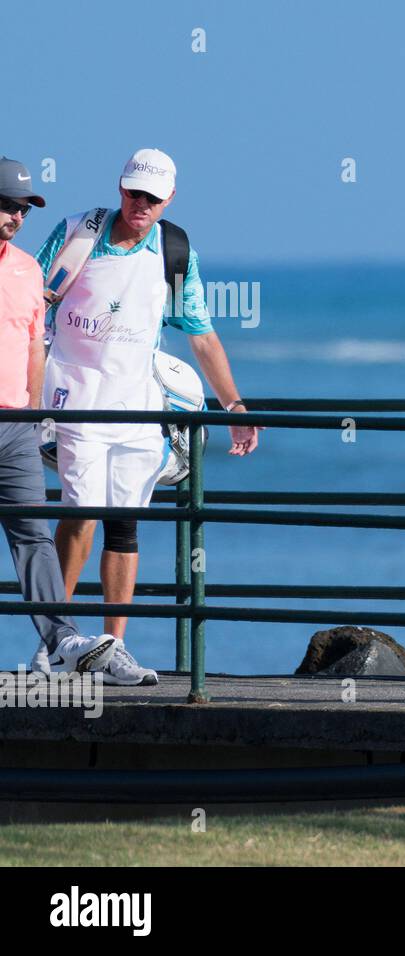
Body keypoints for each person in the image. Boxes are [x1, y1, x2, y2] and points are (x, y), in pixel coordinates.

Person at [34, 148, 262, 686]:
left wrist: (234, 406)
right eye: (135, 193)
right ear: (121, 188)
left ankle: (114, 648)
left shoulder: (174, 252)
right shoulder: (77, 234)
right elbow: (29, 303)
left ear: (169, 200)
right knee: (80, 512)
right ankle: (55, 643)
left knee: (125, 525)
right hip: (75, 398)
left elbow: (201, 334)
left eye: (153, 198)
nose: (142, 205)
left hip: (139, 407)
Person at [0, 157, 117, 675]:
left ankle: (61, 641)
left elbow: (31, 344)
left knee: (33, 536)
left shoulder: (27, 269)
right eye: (6, 204)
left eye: (21, 207)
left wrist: (34, 410)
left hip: (15, 425)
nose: (15, 216)